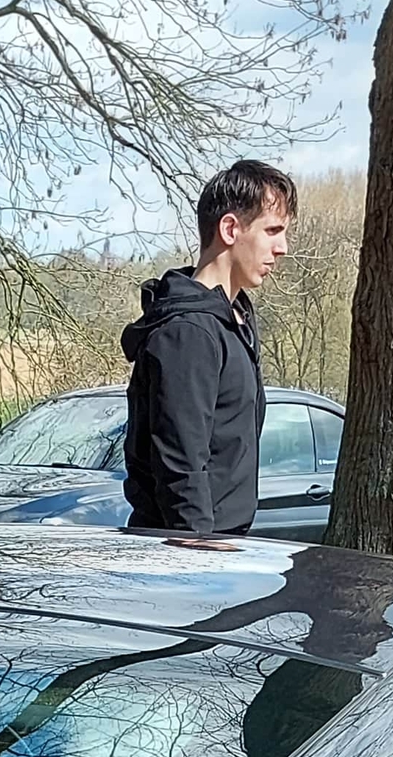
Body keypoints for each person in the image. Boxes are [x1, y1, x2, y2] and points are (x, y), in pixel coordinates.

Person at [123, 161, 296, 539]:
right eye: (272, 231)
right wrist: (203, 558)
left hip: (224, 545)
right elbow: (181, 466)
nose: (282, 248)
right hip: (187, 555)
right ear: (230, 228)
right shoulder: (188, 333)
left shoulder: (234, 321)